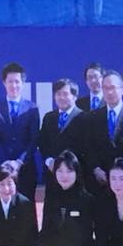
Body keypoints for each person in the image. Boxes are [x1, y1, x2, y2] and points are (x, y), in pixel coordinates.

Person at [31, 150, 95, 246]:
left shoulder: (86, 199)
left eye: (69, 171)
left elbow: (81, 238)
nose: (64, 175)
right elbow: (45, 230)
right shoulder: (52, 197)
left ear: (77, 173)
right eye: (59, 171)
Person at [84, 70, 123, 196]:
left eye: (113, 88)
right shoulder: (92, 117)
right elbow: (88, 146)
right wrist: (96, 169)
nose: (109, 92)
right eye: (105, 88)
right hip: (99, 181)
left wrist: (120, 172)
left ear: (122, 89)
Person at [0, 62, 40, 200]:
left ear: (23, 83)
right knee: (2, 207)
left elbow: (34, 139)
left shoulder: (32, 108)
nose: (14, 85)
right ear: (4, 83)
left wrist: (19, 162)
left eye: (17, 81)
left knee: (26, 207)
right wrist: (6, 164)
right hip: (1, 168)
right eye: (10, 81)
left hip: (25, 168)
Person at [38, 78, 87, 209]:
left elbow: (86, 146)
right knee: (52, 211)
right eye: (58, 94)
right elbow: (43, 142)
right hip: (52, 174)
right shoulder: (49, 117)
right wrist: (49, 161)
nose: (61, 97)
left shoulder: (84, 118)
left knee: (73, 212)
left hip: (74, 174)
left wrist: (70, 165)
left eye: (65, 94)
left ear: (75, 96)